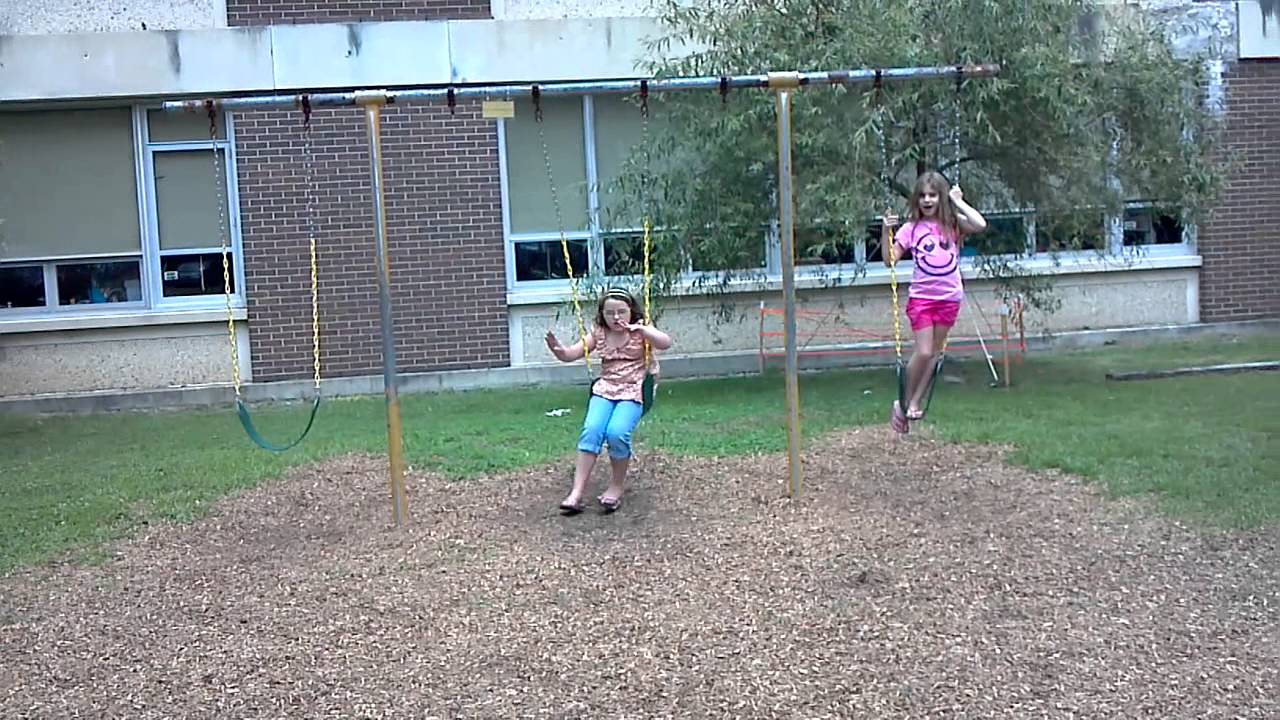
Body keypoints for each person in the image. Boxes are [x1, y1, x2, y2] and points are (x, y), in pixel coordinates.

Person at [544, 288, 673, 514]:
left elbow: (665, 343)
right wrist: (558, 350)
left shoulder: (641, 330)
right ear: (602, 314)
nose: (616, 318)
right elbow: (570, 354)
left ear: (630, 311)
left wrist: (643, 329)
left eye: (621, 312)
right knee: (591, 430)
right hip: (605, 390)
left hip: (634, 391)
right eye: (609, 312)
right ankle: (576, 493)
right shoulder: (599, 333)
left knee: (617, 433)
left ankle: (615, 487)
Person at [882, 170, 988, 421]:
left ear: (941, 198)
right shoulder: (911, 228)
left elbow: (980, 224)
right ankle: (904, 400)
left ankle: (915, 402)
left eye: (933, 195)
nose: (927, 201)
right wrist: (886, 232)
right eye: (922, 196)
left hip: (949, 297)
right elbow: (890, 261)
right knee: (925, 351)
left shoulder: (952, 225)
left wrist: (958, 201)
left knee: (935, 353)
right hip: (922, 299)